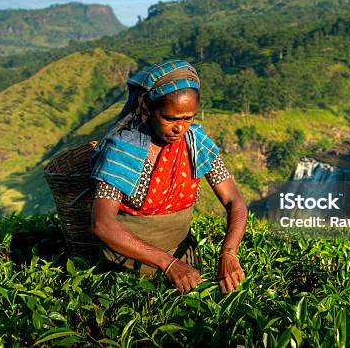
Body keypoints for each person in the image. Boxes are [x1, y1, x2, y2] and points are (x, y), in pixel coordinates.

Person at [90, 59, 247, 294]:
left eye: (188, 118)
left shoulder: (195, 142)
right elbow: (102, 224)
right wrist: (167, 263)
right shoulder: (123, 149)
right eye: (170, 118)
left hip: (184, 264)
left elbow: (235, 202)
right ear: (148, 109)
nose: (180, 128)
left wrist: (229, 253)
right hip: (125, 270)